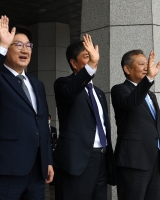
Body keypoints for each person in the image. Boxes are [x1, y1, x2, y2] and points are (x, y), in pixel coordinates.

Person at [0, 15, 54, 199]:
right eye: (18, 45)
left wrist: (48, 160)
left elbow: (42, 124)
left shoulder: (37, 85)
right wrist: (2, 45)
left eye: (28, 45)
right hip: (5, 169)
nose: (24, 49)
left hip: (36, 170)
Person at [53, 34, 116, 200]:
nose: (93, 60)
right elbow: (70, 91)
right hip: (77, 160)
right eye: (87, 56)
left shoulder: (100, 94)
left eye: (94, 57)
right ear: (73, 63)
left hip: (100, 159)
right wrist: (91, 66)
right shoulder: (63, 84)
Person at [111, 49, 160, 200]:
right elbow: (131, 103)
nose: (146, 67)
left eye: (147, 64)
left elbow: (157, 129)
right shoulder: (119, 90)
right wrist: (148, 78)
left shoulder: (151, 96)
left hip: (154, 162)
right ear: (127, 68)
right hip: (133, 161)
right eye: (142, 64)